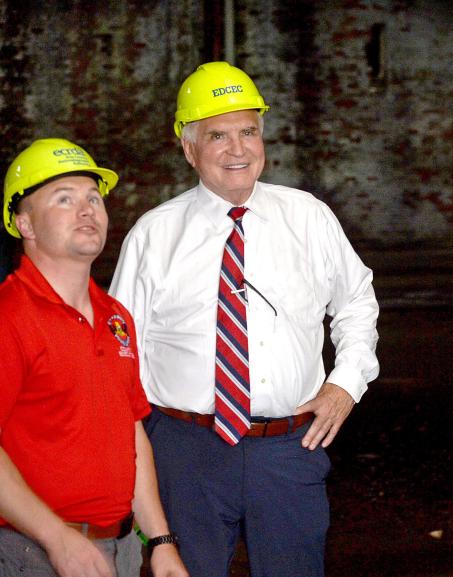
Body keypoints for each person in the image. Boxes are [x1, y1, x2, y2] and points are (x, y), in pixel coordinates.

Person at [109, 62, 379, 577]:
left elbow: (356, 302)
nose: (238, 149)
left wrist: (345, 384)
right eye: (217, 135)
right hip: (186, 453)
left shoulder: (308, 217)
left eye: (248, 132)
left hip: (289, 448)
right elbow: (122, 352)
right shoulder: (153, 235)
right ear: (189, 149)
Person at [0, 138, 188, 577]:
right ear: (24, 223)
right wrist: (56, 537)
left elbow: (131, 431)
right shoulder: (9, 316)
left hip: (117, 548)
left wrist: (159, 541)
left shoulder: (115, 316)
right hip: (30, 553)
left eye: (93, 198)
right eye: (64, 199)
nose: (87, 210)